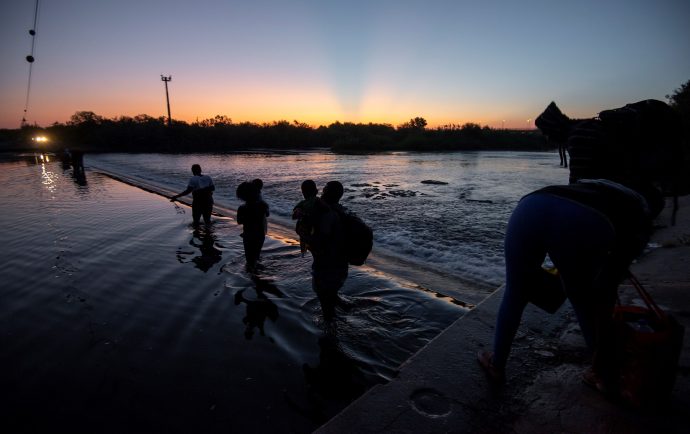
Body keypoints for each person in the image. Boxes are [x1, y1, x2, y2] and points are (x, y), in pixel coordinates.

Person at [478, 101, 669, 392]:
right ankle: (599, 371)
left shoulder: (601, 185)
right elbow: (607, 285)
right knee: (584, 296)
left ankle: (497, 365)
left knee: (516, 291)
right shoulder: (639, 213)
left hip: (533, 205)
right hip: (583, 221)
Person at [301, 181, 349, 320]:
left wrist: (306, 237)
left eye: (324, 190)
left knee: (325, 301)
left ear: (326, 193)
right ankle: (337, 303)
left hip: (326, 265)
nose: (321, 192)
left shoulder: (327, 214)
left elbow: (321, 239)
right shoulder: (341, 210)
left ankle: (330, 330)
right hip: (341, 263)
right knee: (332, 290)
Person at [236, 181, 269, 272]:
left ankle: (252, 274)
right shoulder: (263, 205)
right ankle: (257, 272)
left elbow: (239, 221)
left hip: (248, 234)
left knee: (249, 257)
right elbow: (267, 214)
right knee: (257, 254)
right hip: (260, 233)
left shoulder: (242, 208)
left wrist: (247, 218)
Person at [292, 180, 319, 256]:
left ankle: (304, 252)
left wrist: (301, 213)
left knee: (308, 244)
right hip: (316, 229)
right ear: (316, 191)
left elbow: (294, 216)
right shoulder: (319, 201)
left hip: (305, 230)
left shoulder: (302, 203)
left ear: (303, 192)